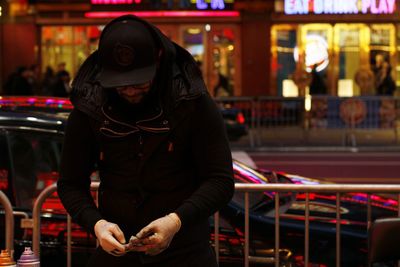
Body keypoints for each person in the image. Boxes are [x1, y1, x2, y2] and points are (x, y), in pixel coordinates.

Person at [57, 15, 234, 267]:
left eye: (139, 83)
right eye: (120, 85)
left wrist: (175, 221)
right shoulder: (90, 107)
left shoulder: (192, 101)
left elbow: (220, 180)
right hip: (116, 252)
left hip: (186, 251)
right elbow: (70, 183)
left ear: (159, 59)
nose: (129, 91)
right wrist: (97, 224)